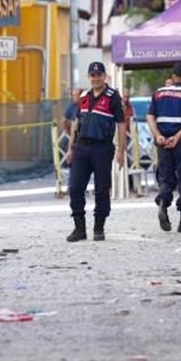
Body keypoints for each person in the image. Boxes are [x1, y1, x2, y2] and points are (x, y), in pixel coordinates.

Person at [65, 61, 127, 242]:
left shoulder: (113, 96)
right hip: (81, 148)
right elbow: (76, 124)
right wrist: (70, 149)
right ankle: (79, 228)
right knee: (75, 187)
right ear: (88, 77)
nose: (96, 78)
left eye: (99, 75)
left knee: (102, 189)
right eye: (92, 75)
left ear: (104, 76)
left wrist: (121, 151)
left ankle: (99, 227)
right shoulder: (84, 97)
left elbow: (121, 125)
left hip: (102, 148)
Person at [147, 63, 181, 233]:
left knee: (165, 177)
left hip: (163, 142)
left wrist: (158, 135)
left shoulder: (159, 93)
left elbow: (150, 116)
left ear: (174, 76)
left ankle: (163, 204)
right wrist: (177, 137)